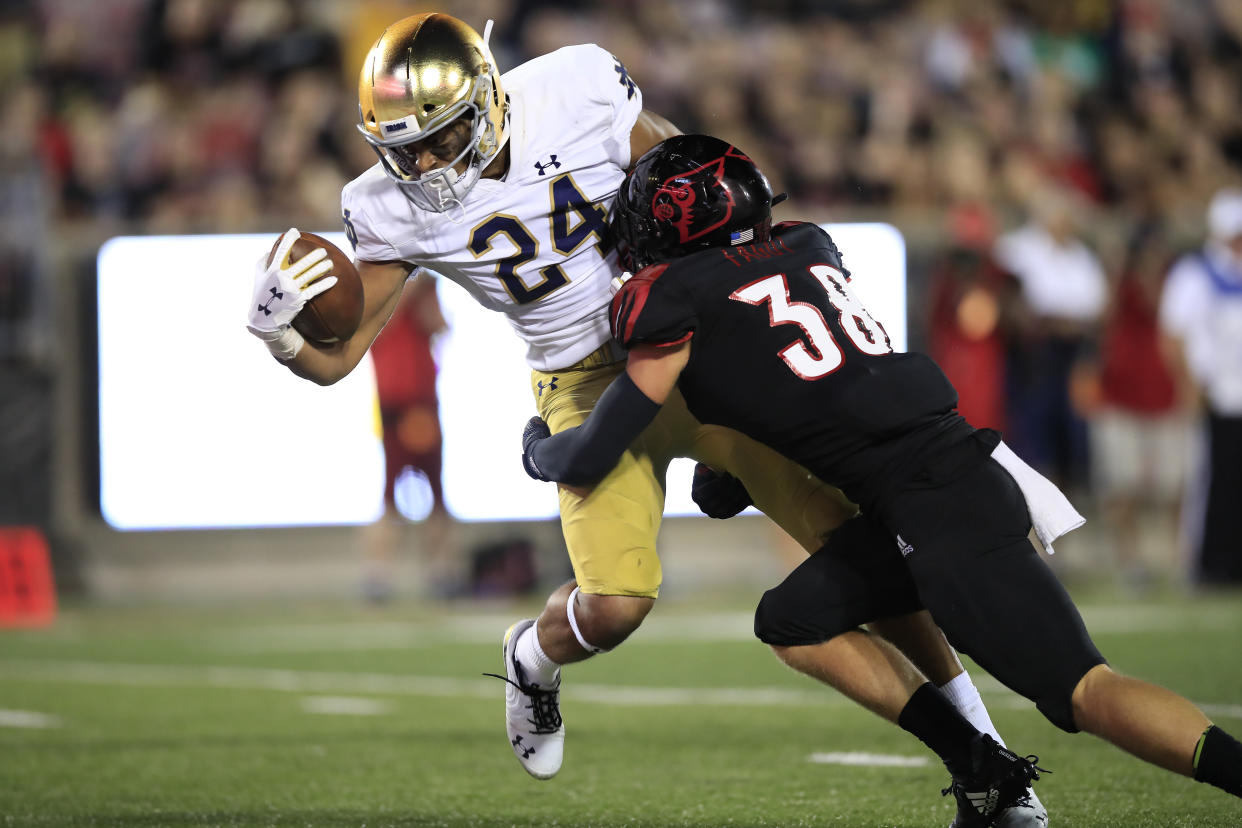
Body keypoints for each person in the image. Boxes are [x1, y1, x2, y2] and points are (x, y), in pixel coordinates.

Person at [244, 15, 1043, 825]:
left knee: (851, 543)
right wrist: (281, 335)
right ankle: (532, 656)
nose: (420, 164)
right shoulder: (389, 207)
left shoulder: (575, 88)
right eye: (402, 148)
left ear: (486, 101)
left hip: (698, 347)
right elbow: (337, 359)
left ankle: (987, 763)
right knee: (618, 604)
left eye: (437, 138)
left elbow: (689, 180)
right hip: (582, 381)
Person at [520, 134, 1242, 815]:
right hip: (939, 478)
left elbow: (587, 455)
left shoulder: (675, 298)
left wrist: (535, 447)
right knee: (790, 620)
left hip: (935, 505)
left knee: (1085, 691)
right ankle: (981, 766)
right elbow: (756, 431)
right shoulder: (804, 247)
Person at [1159, 187, 1242, 587]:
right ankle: (1205, 567)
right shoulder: (1195, 274)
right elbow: (1174, 334)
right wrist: (1191, 385)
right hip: (1214, 394)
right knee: (1209, 482)